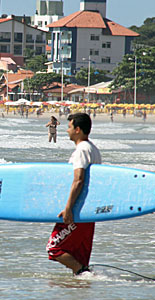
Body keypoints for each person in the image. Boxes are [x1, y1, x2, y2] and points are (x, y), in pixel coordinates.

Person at [46, 113, 102, 276]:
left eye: (69, 127)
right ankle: (82, 285)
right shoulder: (93, 149)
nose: (67, 130)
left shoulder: (82, 150)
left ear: (77, 129)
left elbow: (78, 180)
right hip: (88, 210)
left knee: (54, 248)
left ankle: (82, 272)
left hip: (78, 209)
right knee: (80, 254)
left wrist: (68, 208)